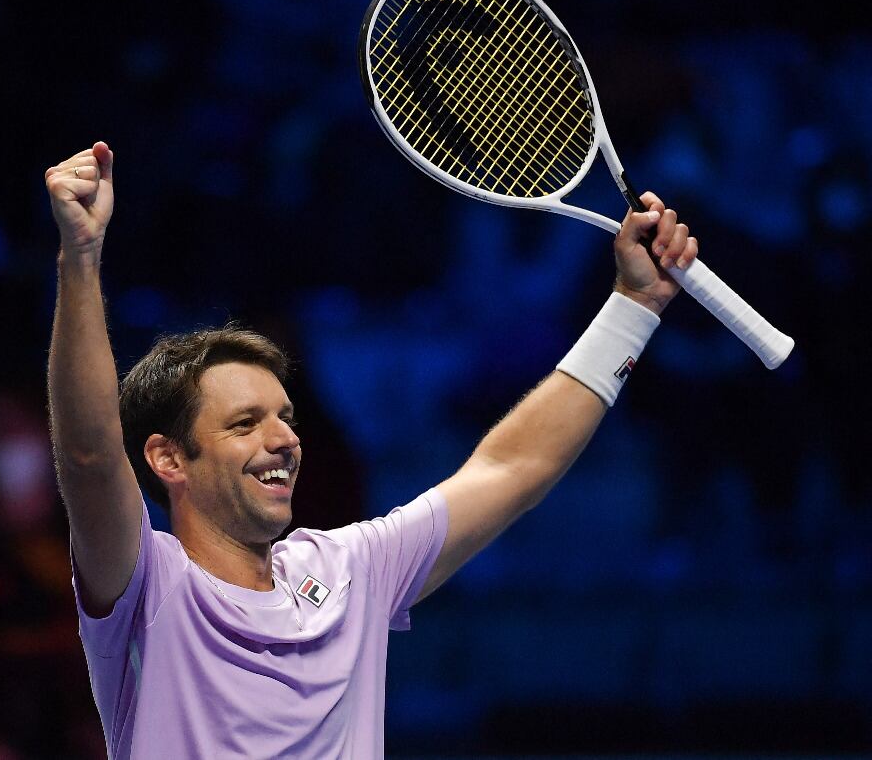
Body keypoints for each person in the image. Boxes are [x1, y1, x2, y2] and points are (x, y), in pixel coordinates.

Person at [44, 141, 699, 758]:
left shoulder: (350, 570)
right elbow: (91, 456)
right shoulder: (146, 584)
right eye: (246, 423)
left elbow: (513, 465)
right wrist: (80, 256)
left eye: (286, 416)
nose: (284, 438)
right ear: (168, 458)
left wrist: (635, 304)